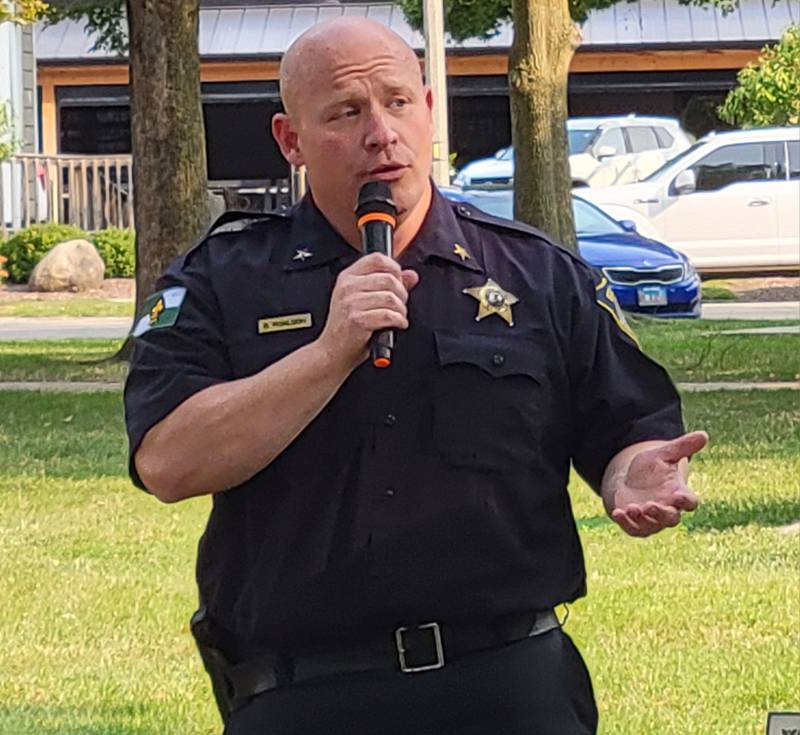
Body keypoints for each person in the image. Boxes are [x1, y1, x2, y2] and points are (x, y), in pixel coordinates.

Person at [123, 17, 707, 735]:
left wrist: (633, 472)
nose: (380, 133)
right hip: (304, 693)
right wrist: (328, 351)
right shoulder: (221, 279)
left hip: (509, 685)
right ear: (290, 140)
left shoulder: (534, 272)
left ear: (429, 108)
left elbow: (626, 423)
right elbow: (166, 461)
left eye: (398, 103)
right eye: (345, 112)